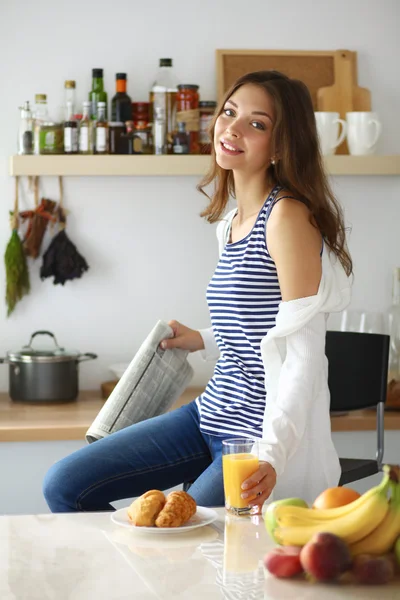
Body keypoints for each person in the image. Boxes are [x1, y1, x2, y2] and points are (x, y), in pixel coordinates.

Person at [43, 70, 352, 513]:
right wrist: (203, 338)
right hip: (209, 413)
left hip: (255, 438)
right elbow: (260, 318)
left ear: (282, 146)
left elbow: (303, 354)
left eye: (257, 123)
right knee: (64, 484)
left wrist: (271, 456)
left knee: (192, 546)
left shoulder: (287, 218)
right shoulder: (231, 223)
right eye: (229, 112)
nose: (233, 128)